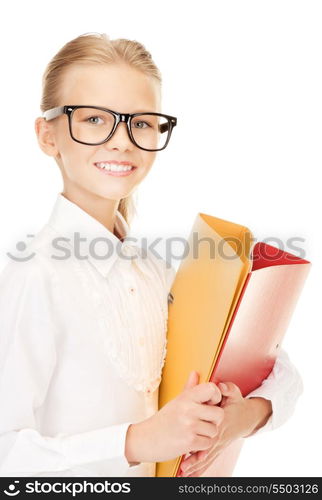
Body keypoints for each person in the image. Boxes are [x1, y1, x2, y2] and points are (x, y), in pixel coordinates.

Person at [0, 32, 303, 478]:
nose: (122, 141)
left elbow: (279, 369)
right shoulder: (35, 275)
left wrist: (242, 418)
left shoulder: (154, 272)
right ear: (48, 135)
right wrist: (139, 440)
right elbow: (7, 454)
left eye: (141, 122)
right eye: (95, 119)